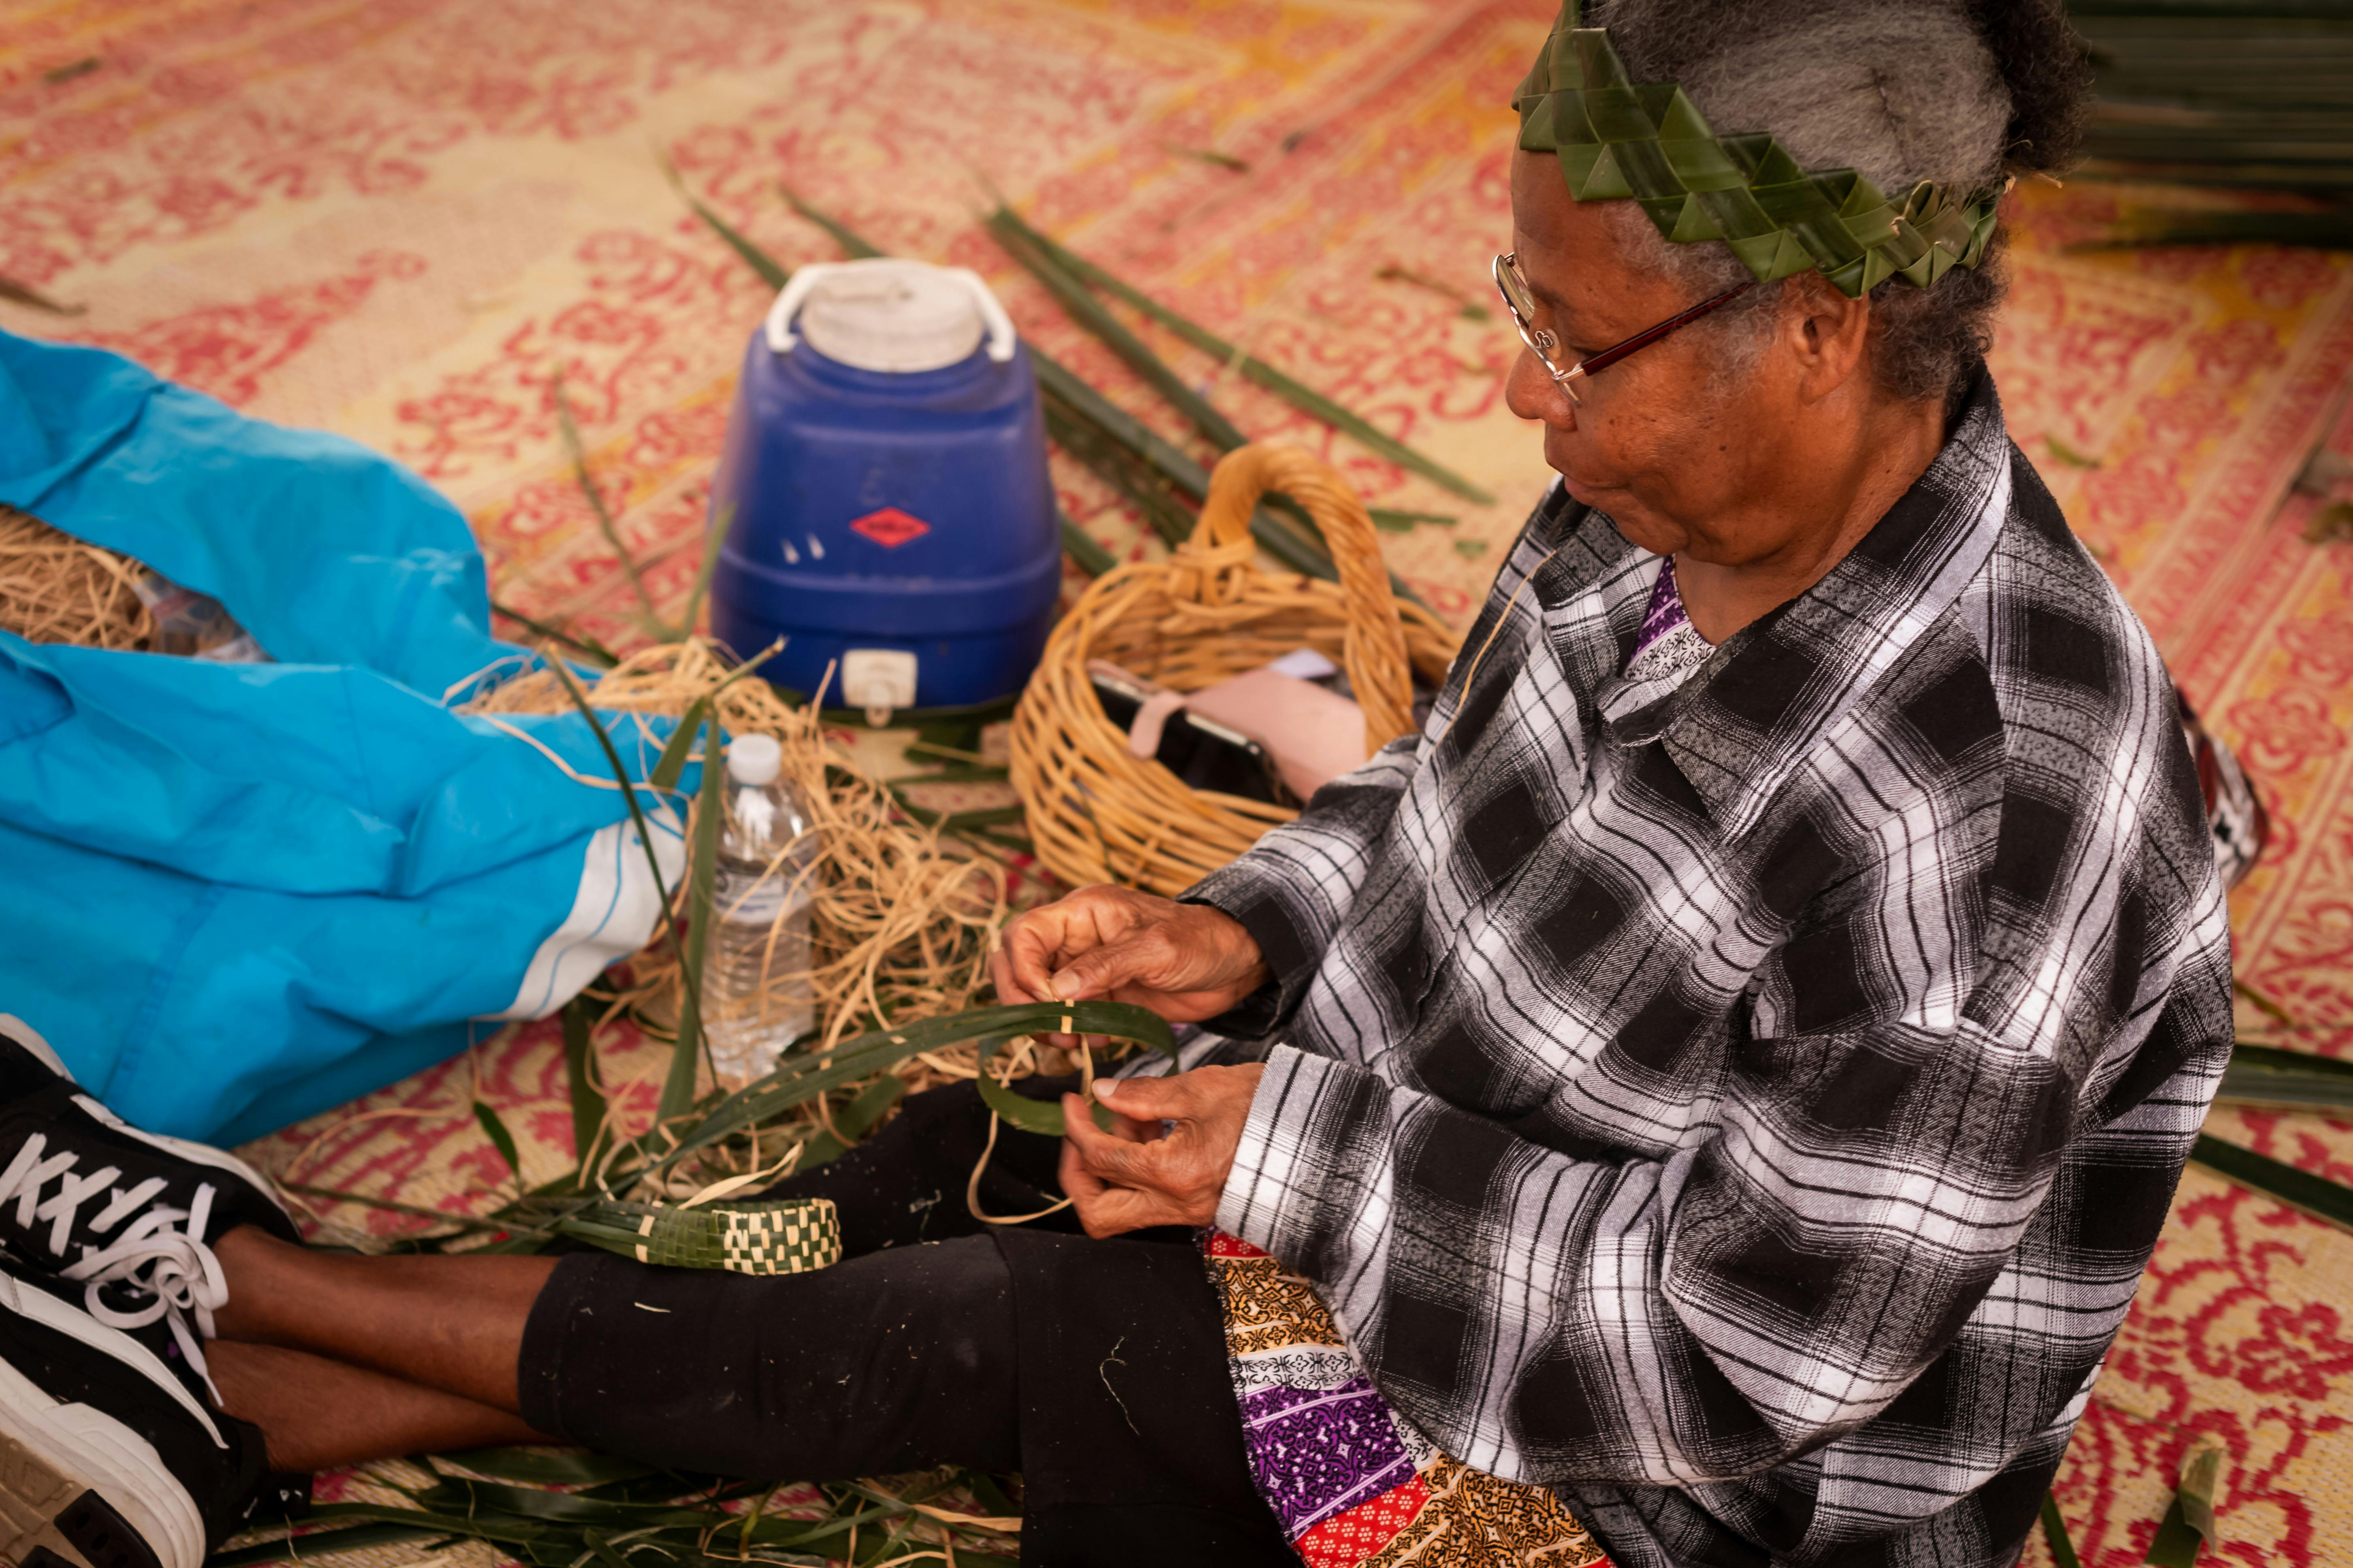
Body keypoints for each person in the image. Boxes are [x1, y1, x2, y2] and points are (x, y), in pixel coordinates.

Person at [0, 1, 2236, 1565]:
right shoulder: (1655, 501)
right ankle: (250, 1405)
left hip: (1628, 1488)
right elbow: (1449, 814)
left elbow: (1752, 1361)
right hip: (1427, 1185)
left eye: (1575, 332)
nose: (1522, 383)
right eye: (1520, 301)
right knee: (951, 1158)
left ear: (1821, 328)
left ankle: (217, 1286)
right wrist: (1246, 924)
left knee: (1030, 1332)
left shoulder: (2002, 812)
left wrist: (1293, 1142)